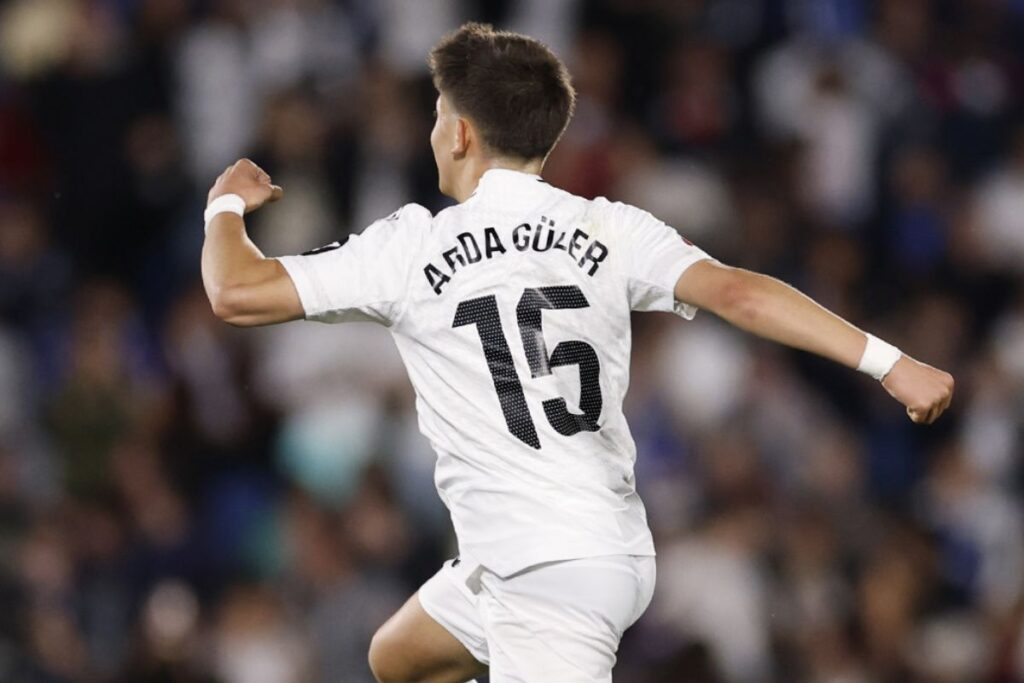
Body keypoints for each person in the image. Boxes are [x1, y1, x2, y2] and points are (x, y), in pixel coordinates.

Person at [200, 23, 954, 683]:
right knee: (401, 656)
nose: (433, 131)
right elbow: (742, 295)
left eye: (438, 115)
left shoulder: (411, 246)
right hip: (575, 547)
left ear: (460, 132)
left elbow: (234, 290)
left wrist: (225, 204)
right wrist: (892, 362)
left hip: (544, 574)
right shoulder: (612, 229)